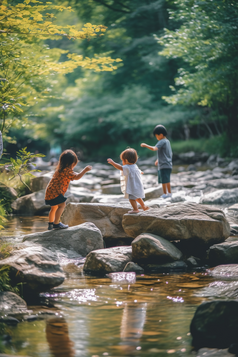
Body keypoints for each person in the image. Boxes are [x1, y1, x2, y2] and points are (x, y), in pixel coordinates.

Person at [45, 149, 92, 230]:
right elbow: (77, 177)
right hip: (56, 193)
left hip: (49, 191)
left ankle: (50, 224)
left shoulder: (60, 169)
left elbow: (74, 174)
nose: (74, 166)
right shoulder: (67, 171)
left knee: (54, 208)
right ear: (69, 163)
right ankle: (56, 224)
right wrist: (85, 170)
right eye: (73, 164)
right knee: (62, 205)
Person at [107, 148, 149, 214]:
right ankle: (144, 206)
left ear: (126, 160)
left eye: (122, 160)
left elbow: (120, 167)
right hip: (137, 186)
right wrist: (141, 172)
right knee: (138, 198)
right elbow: (137, 171)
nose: (122, 162)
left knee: (131, 199)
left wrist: (113, 163)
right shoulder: (135, 166)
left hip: (132, 187)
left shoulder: (127, 167)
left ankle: (135, 209)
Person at [141, 124, 172, 199]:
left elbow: (154, 148)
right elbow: (167, 153)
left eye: (156, 136)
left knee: (164, 181)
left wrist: (146, 145)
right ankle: (169, 193)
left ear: (161, 135)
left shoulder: (161, 141)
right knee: (167, 180)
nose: (157, 138)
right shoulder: (167, 141)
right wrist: (158, 159)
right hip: (168, 164)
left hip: (163, 165)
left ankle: (165, 193)